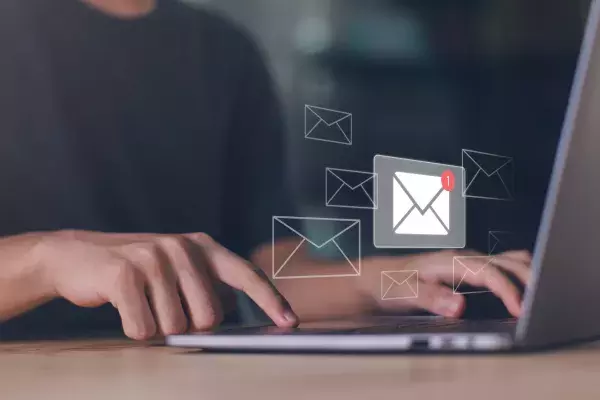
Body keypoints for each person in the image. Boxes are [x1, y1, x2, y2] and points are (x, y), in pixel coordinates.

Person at [0, 0, 531, 340]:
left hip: (191, 373)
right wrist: (46, 260)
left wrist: (388, 279)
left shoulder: (222, 51)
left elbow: (270, 276)